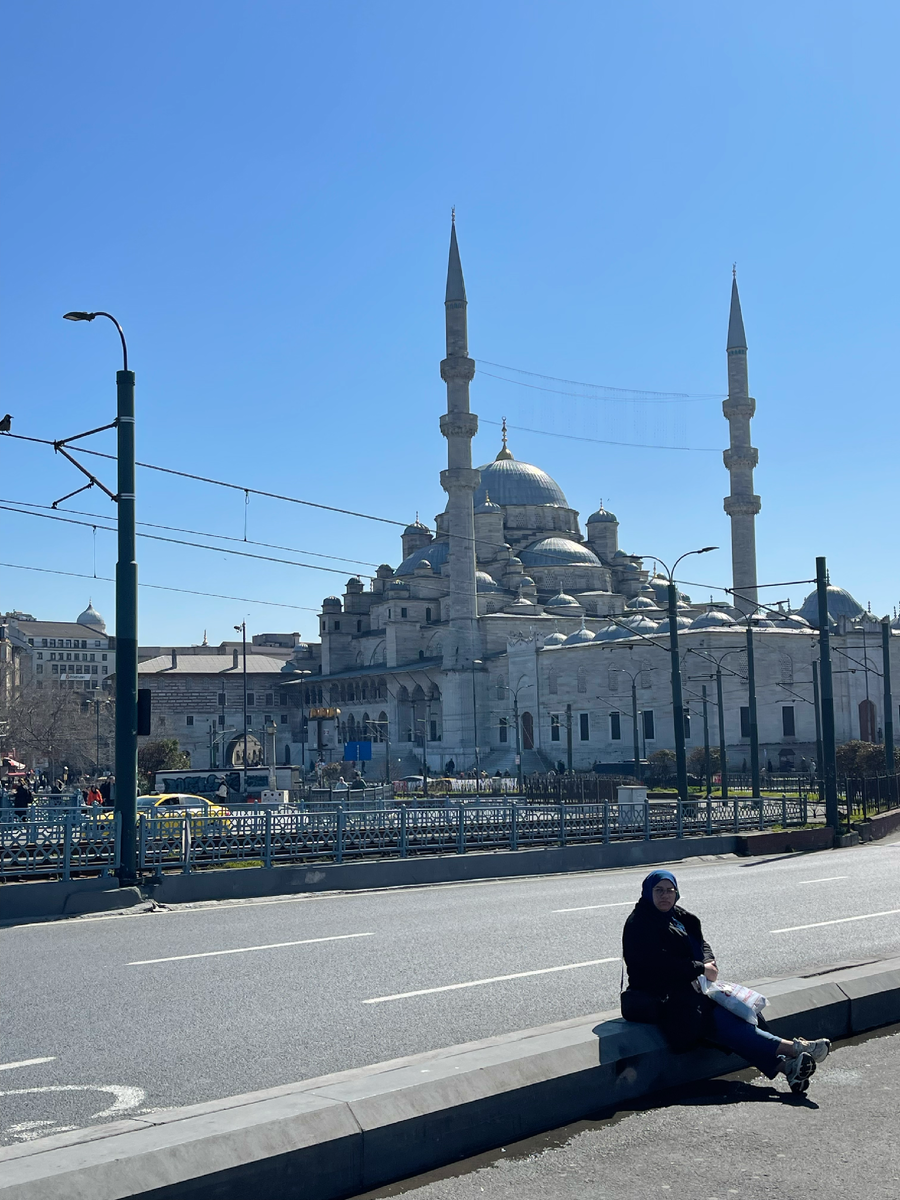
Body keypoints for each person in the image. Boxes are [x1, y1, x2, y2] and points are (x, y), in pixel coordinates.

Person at [621, 870, 830, 1095]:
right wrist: (700, 968)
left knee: (740, 1011)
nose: (665, 895)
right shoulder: (639, 923)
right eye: (659, 890)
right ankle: (794, 1048)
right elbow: (657, 965)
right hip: (658, 997)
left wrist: (708, 961)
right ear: (647, 892)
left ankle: (787, 1068)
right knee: (720, 1020)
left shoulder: (677, 916)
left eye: (670, 890)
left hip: (689, 989)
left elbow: (701, 943)